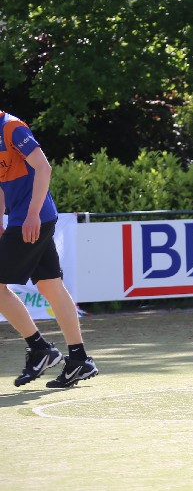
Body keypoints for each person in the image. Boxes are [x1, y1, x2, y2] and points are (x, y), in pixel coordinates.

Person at [0, 109, 98, 388]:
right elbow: (1, 184)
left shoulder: (11, 128)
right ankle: (79, 359)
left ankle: (40, 348)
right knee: (50, 286)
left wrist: (32, 214)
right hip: (27, 219)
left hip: (32, 220)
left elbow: (44, 168)